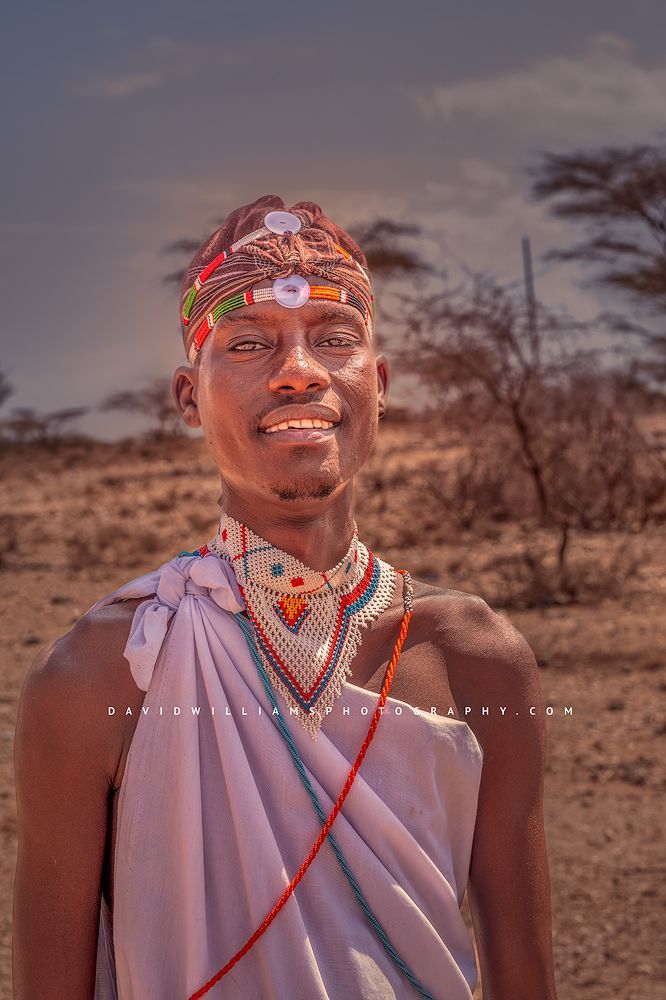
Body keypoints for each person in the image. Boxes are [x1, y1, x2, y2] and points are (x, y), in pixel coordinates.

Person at [13, 195, 559, 999]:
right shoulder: (97, 677)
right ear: (189, 398)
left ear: (376, 385)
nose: (300, 368)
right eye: (247, 343)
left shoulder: (476, 661)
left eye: (334, 339)